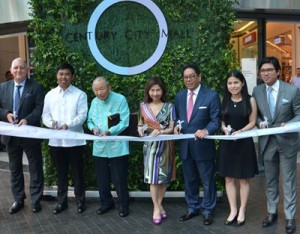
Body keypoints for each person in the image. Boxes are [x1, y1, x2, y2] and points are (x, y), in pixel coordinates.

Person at [253, 56, 300, 234]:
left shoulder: (292, 91)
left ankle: (289, 217)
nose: (265, 73)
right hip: (267, 143)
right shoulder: (257, 91)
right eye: (263, 71)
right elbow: (255, 115)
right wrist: (259, 123)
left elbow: (299, 114)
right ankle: (271, 212)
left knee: (288, 181)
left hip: (287, 141)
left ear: (278, 72)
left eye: (269, 70)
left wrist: (287, 125)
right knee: (270, 180)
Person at [174, 64, 221, 225]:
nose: (189, 79)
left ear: (199, 77)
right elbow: (178, 119)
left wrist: (206, 130)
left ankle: (208, 210)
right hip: (186, 147)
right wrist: (176, 126)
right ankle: (192, 207)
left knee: (207, 180)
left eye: (192, 76)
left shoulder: (211, 95)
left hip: (203, 146)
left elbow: (216, 120)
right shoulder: (179, 96)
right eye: (186, 77)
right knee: (190, 180)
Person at [0, 58, 44, 214]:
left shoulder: (36, 87)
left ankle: (36, 199)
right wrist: (6, 114)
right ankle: (18, 199)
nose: (19, 70)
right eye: (16, 68)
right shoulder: (2, 87)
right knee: (15, 169)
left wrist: (27, 119)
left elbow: (39, 109)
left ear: (27, 70)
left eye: (22, 68)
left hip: (30, 134)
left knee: (35, 168)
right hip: (11, 137)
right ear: (11, 70)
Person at [42, 63, 87, 214]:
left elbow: (82, 116)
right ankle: (62, 202)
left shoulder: (80, 94)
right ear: (57, 76)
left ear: (72, 76)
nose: (64, 77)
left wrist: (68, 125)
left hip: (75, 140)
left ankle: (81, 201)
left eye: (67, 74)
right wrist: (51, 123)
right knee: (61, 173)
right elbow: (45, 115)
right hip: (56, 141)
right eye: (61, 74)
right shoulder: (50, 95)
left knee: (78, 173)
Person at [218, 70, 258, 226]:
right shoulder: (224, 100)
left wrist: (240, 132)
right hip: (227, 143)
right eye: (230, 83)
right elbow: (221, 121)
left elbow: (252, 121)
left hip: (243, 143)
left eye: (236, 82)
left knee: (243, 179)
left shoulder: (250, 100)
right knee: (228, 178)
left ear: (242, 83)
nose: (233, 86)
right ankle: (233, 210)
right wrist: (224, 129)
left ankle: (242, 209)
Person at [87, 77, 130, 218]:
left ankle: (124, 205)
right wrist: (93, 129)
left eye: (102, 89)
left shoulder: (120, 99)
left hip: (117, 146)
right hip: (99, 147)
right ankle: (106, 203)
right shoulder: (94, 102)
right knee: (102, 179)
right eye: (96, 90)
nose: (99, 93)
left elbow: (125, 121)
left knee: (119, 178)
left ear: (109, 88)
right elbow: (89, 121)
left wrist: (110, 131)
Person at [138, 77, 176, 225]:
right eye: (152, 90)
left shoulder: (169, 106)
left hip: (165, 145)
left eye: (158, 90)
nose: (155, 93)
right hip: (150, 146)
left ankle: (159, 204)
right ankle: (156, 207)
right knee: (153, 178)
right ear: (148, 91)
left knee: (163, 178)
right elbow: (140, 125)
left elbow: (172, 128)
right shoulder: (143, 107)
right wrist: (141, 131)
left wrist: (160, 132)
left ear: (162, 90)